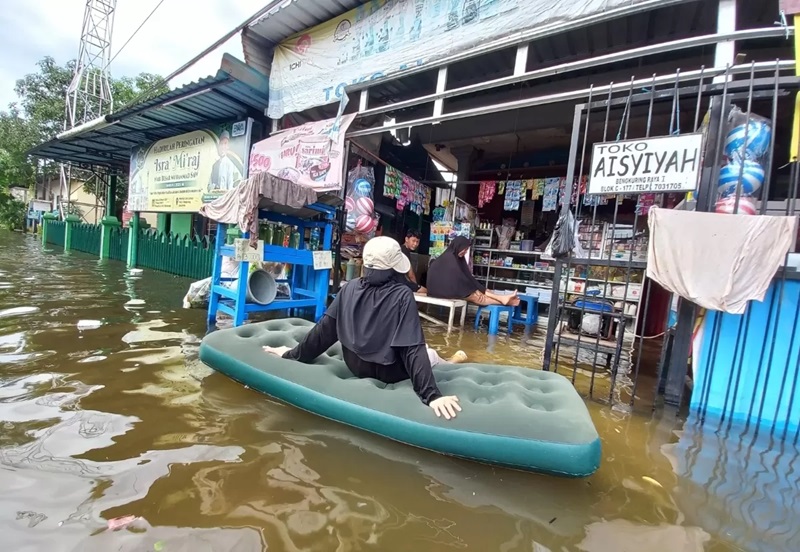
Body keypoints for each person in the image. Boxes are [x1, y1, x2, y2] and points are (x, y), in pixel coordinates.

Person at [263, 236, 466, 420]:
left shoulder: (349, 287)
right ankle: (448, 362)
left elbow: (323, 332)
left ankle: (447, 360)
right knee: (428, 352)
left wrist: (291, 354)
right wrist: (432, 396)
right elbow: (412, 348)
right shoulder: (402, 294)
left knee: (420, 347)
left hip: (356, 366)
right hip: (390, 372)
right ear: (394, 268)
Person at [427, 236, 520, 306]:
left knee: (482, 291)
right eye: (464, 249)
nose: (465, 252)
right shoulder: (449, 258)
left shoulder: (457, 258)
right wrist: (474, 290)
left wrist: (480, 289)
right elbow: (459, 277)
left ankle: (503, 299)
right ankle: (505, 301)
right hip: (438, 290)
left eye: (466, 250)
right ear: (458, 246)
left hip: (447, 288)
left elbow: (468, 277)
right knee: (478, 298)